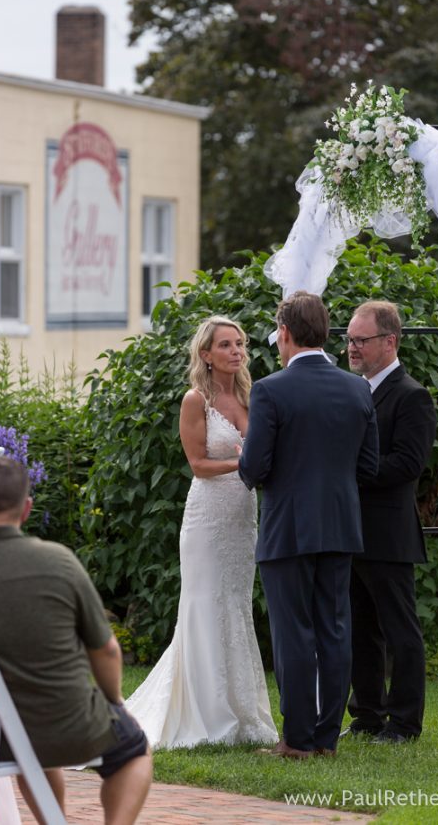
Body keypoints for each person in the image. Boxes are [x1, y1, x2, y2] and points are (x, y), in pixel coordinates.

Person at [0, 456, 152, 825]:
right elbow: (107, 649)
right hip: (69, 726)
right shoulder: (57, 562)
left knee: (28, 739)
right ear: (27, 509)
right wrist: (114, 702)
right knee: (135, 749)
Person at [238, 291, 379, 758]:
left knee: (293, 632)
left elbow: (253, 467)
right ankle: (326, 739)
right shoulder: (358, 388)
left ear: (284, 333)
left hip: (287, 529)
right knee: (335, 629)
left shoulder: (270, 389)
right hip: (340, 526)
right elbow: (368, 466)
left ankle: (297, 739)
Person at [126, 316, 277, 748]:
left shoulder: (253, 398)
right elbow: (197, 464)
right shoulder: (196, 400)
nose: (236, 351)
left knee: (235, 605)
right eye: (226, 345)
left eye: (240, 344)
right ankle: (207, 714)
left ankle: (242, 712)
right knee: (206, 605)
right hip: (208, 517)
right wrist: (243, 464)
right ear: (206, 355)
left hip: (242, 516)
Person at [345, 300, 437, 743]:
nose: (352, 347)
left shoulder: (411, 395)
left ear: (389, 341)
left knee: (400, 632)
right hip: (351, 531)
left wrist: (347, 471)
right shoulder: (353, 389)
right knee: (360, 629)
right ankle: (367, 715)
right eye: (348, 339)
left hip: (388, 533)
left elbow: (407, 464)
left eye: (360, 340)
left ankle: (404, 723)